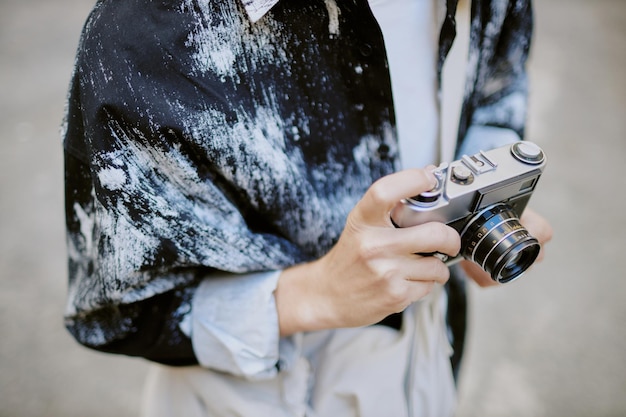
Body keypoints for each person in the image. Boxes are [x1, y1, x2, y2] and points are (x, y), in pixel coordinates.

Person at [62, 0, 553, 415]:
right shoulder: (142, 37)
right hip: (258, 398)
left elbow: (496, 92)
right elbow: (118, 313)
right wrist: (313, 294)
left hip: (431, 362)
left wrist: (486, 203)